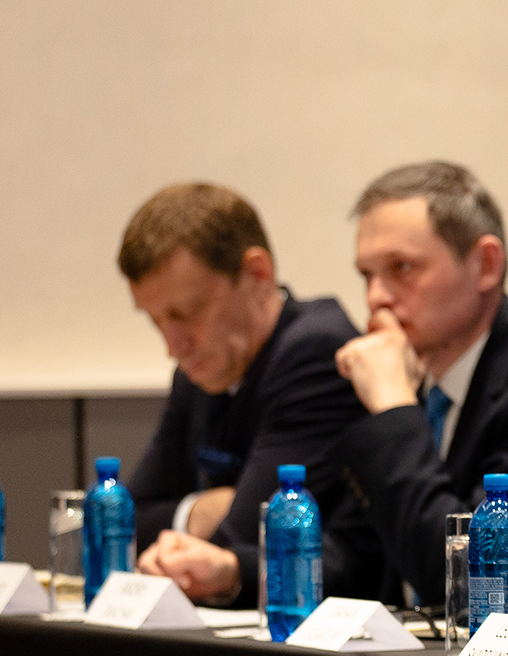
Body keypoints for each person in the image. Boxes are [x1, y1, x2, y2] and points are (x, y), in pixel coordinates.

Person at [122, 182, 379, 605]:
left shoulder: (316, 353)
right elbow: (123, 526)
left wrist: (207, 523)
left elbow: (236, 545)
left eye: (187, 313)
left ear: (258, 275)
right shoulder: (199, 369)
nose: (173, 346)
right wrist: (197, 512)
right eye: (156, 322)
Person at [327, 162, 508, 605]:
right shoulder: (407, 376)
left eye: (402, 267)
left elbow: (466, 580)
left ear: (486, 265)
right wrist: (233, 571)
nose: (376, 298)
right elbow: (356, 554)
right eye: (367, 275)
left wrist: (393, 407)